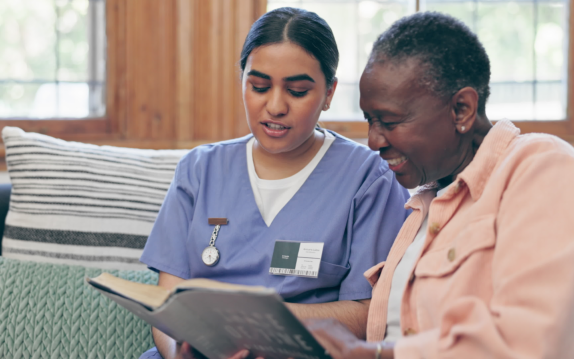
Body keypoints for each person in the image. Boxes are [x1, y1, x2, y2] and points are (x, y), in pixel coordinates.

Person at [279, 11, 574, 359]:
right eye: (370, 121)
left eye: (389, 121)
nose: (373, 141)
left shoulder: (539, 165)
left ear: (462, 109)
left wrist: (371, 354)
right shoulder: (424, 203)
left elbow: (533, 340)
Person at [138, 7, 411, 359]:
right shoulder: (199, 169)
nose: (275, 106)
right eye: (259, 86)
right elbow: (167, 304)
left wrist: (249, 328)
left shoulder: (369, 180)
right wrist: (181, 353)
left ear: (329, 93)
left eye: (297, 91)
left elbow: (363, 313)